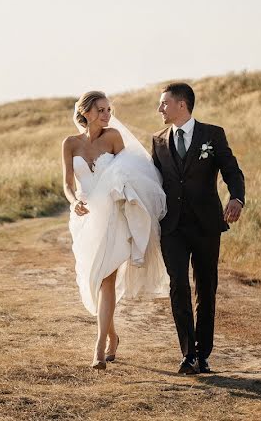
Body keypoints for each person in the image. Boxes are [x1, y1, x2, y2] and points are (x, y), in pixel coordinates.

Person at [62, 90, 169, 370]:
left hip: (113, 216)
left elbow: (134, 172)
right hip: (86, 218)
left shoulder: (114, 138)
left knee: (106, 278)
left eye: (109, 109)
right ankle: (112, 335)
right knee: (93, 279)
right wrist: (74, 203)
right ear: (86, 112)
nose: (107, 115)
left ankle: (98, 348)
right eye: (101, 110)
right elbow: (67, 185)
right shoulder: (70, 144)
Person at [151, 82, 245, 375]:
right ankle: (187, 354)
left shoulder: (212, 135)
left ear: (182, 104)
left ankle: (203, 354)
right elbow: (152, 182)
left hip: (206, 225)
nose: (160, 109)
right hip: (173, 227)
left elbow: (232, 170)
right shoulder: (157, 141)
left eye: (164, 103)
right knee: (178, 285)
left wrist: (237, 198)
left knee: (206, 288)